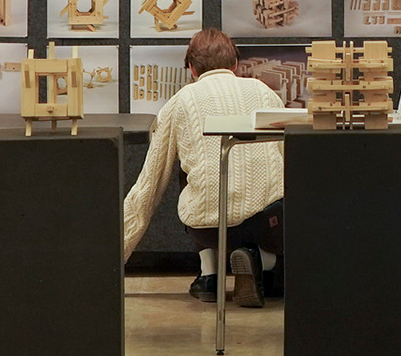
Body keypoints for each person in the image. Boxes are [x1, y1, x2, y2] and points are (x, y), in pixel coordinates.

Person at [121, 28, 286, 308]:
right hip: (268, 224)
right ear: (235, 64)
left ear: (191, 68)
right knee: (276, 277)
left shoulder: (180, 102)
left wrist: (113, 259)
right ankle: (263, 260)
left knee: (190, 173)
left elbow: (149, 184)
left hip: (210, 225)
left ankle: (210, 274)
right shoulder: (263, 91)